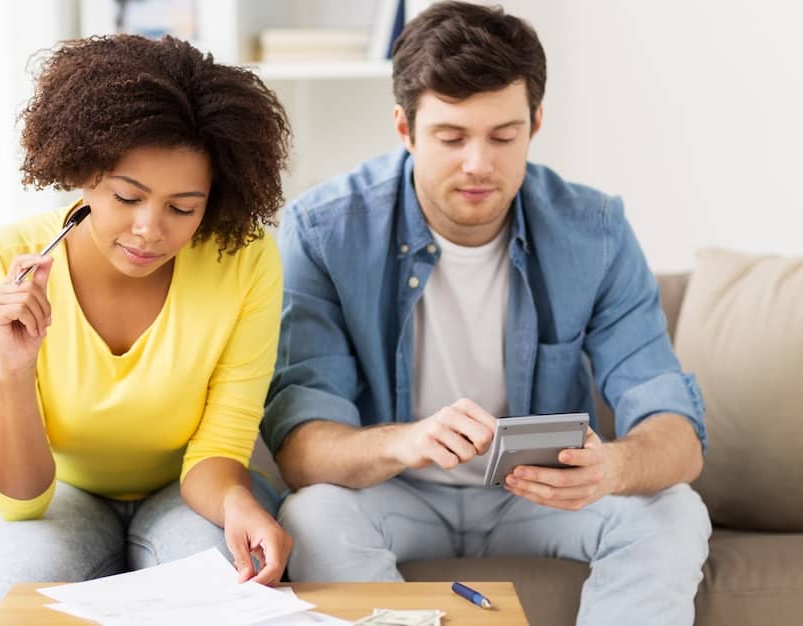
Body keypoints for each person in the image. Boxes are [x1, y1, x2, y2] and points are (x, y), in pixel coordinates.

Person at [261, 3, 710, 625]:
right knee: (310, 516)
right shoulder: (324, 233)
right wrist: (406, 442)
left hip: (538, 497)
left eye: (504, 136)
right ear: (403, 127)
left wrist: (614, 466)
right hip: (396, 494)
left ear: (536, 123)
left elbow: (677, 432)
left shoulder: (595, 232)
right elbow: (302, 449)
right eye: (451, 138)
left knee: (676, 508)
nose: (479, 163)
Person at [0, 34, 292, 623]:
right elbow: (19, 501)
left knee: (228, 597)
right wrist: (16, 368)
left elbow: (217, 450)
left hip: (186, 489)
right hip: (55, 494)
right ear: (83, 171)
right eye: (127, 196)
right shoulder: (0, 260)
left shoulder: (245, 260)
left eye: (182, 208)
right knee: (24, 590)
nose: (148, 230)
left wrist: (239, 501)